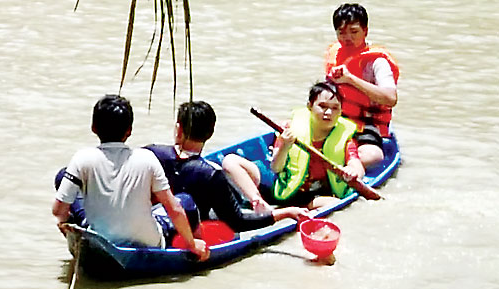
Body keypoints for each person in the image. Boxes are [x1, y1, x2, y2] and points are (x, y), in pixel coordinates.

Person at [52, 95, 209, 259]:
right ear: (129, 131)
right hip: (148, 241)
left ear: (93, 127)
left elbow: (58, 210)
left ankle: (87, 235)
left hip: (101, 237)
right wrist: (192, 244)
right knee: (185, 200)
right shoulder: (146, 158)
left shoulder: (82, 158)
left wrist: (66, 225)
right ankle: (198, 252)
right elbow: (174, 209)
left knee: (63, 176)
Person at [144, 101, 308, 236]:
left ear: (178, 129)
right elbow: (238, 222)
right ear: (210, 133)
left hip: (154, 220)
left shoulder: (151, 153)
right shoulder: (211, 175)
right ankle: (256, 200)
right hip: (191, 227)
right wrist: (286, 213)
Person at [221, 82, 365, 212]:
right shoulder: (289, 128)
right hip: (282, 182)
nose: (328, 113)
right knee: (230, 161)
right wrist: (285, 146)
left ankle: (293, 209)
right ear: (310, 106)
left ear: (340, 111)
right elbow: (276, 167)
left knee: (334, 204)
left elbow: (356, 164)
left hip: (310, 195)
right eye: (322, 106)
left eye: (335, 108)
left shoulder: (344, 137)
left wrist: (353, 171)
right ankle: (258, 202)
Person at [323, 3, 399, 167]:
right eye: (341, 32)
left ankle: (343, 167)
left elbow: (390, 98)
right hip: (334, 120)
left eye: (354, 31)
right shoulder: (335, 56)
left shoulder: (377, 62)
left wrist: (350, 79)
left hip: (366, 126)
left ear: (365, 31)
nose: (347, 37)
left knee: (373, 156)